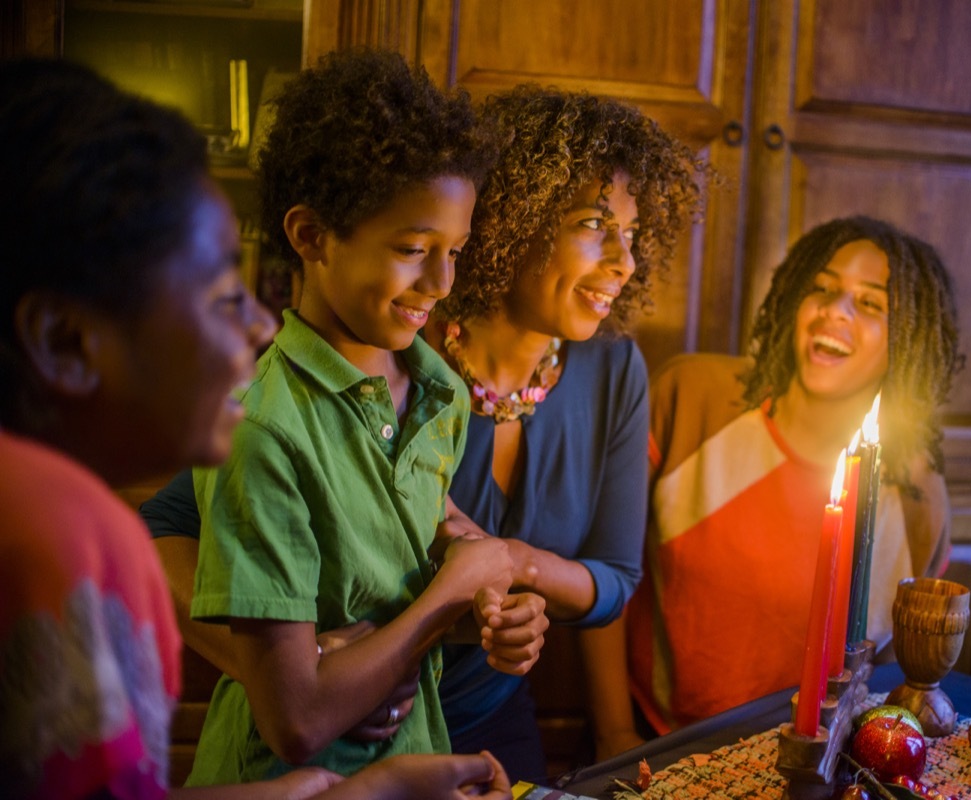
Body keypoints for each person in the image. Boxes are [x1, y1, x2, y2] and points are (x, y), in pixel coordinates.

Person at [0, 58, 511, 800]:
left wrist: (359, 790)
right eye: (217, 294)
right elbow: (293, 715)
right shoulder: (57, 534)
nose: (260, 322)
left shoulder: (83, 521)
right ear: (63, 340)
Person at [156, 49, 545, 785]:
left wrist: (494, 609)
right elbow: (296, 718)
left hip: (410, 759)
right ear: (310, 236)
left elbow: (405, 574)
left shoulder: (440, 395)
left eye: (454, 251)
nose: (440, 282)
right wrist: (447, 599)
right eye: (411, 249)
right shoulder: (261, 429)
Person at [588, 215, 962, 758]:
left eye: (872, 303)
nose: (835, 311)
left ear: (908, 341)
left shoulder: (918, 493)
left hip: (804, 769)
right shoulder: (692, 396)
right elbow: (601, 570)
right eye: (823, 288)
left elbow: (878, 680)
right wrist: (614, 736)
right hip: (657, 747)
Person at [426, 84, 704, 780]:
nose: (624, 262)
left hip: (494, 723)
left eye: (632, 236)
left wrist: (516, 564)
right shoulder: (400, 344)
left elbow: (615, 578)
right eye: (594, 224)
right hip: (363, 725)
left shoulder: (612, 368)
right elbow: (179, 521)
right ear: (511, 217)